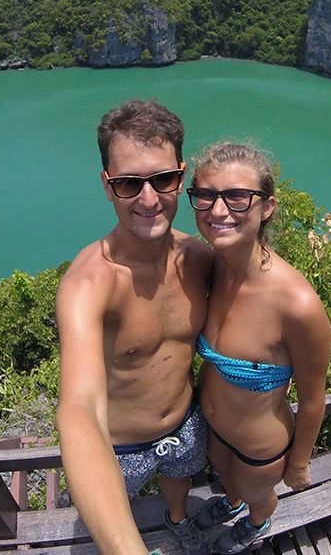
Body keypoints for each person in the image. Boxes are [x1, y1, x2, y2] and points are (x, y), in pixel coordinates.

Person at [55, 99, 214, 555]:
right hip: (119, 447)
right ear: (108, 186)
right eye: (129, 184)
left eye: (162, 180)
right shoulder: (90, 284)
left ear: (181, 177)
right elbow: (79, 406)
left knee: (180, 479)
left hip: (185, 423)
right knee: (108, 514)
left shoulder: (200, 260)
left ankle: (177, 517)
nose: (149, 199)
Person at [185, 141, 331, 555]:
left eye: (236, 197)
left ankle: (256, 520)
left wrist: (300, 463)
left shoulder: (296, 305)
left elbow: (314, 398)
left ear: (266, 206)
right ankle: (231, 503)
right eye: (206, 196)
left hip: (259, 448)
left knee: (256, 493)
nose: (217, 211)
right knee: (227, 482)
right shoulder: (212, 266)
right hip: (214, 429)